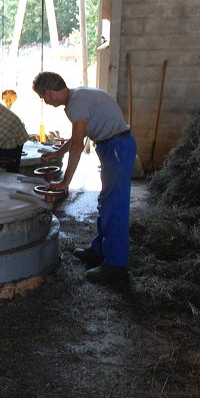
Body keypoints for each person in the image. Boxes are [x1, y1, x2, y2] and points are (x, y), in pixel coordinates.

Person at [32, 72, 137, 284]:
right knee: (105, 202)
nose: (46, 102)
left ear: (50, 92)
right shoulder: (78, 97)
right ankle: (99, 250)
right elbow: (77, 136)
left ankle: (116, 267)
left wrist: (65, 182)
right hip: (112, 146)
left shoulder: (75, 105)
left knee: (115, 207)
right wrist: (58, 153)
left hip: (116, 147)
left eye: (44, 97)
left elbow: (79, 145)